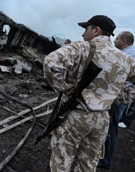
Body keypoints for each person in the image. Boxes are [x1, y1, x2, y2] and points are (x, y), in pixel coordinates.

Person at [43, 15, 135, 172]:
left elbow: (50, 62)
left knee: (61, 162)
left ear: (96, 30)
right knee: (88, 165)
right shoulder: (126, 59)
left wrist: (62, 86)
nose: (83, 34)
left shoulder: (82, 47)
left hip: (77, 114)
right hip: (102, 119)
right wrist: (118, 97)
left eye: (86, 29)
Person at [98, 31, 135, 169]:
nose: (115, 41)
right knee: (110, 126)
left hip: (119, 96)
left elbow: (118, 77)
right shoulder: (131, 53)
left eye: (118, 38)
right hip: (123, 96)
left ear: (124, 41)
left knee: (110, 128)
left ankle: (106, 160)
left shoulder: (127, 55)